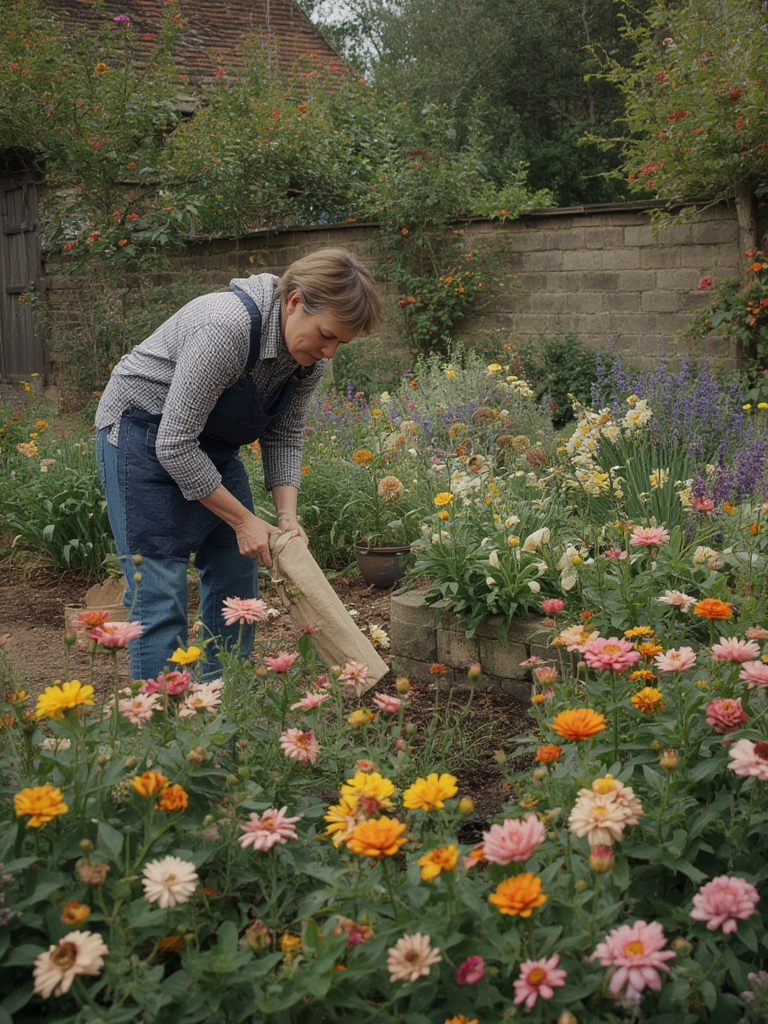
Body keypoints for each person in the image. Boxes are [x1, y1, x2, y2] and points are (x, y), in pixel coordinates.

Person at [95, 247, 381, 681]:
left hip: (207, 445)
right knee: (160, 594)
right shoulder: (226, 328)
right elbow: (173, 444)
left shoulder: (308, 361)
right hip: (144, 438)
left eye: (340, 342)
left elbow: (283, 434)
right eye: (326, 335)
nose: (329, 352)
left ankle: (219, 709)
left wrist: (286, 517)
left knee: (236, 577)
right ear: (295, 302)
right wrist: (245, 520)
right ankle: (160, 731)